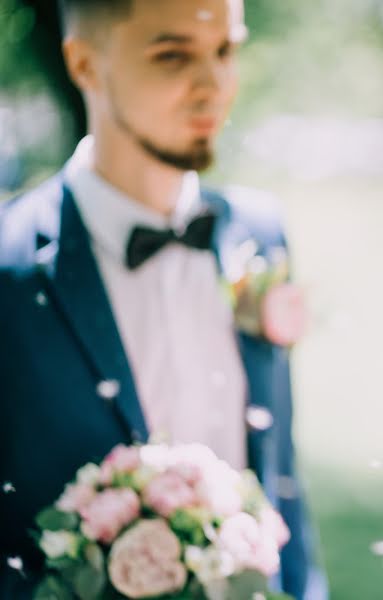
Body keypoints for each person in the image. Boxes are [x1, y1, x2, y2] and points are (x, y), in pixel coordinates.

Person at [0, 1, 327, 597]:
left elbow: (280, 476)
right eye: (172, 55)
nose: (215, 86)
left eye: (226, 51)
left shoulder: (260, 233)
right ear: (84, 65)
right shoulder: (10, 268)